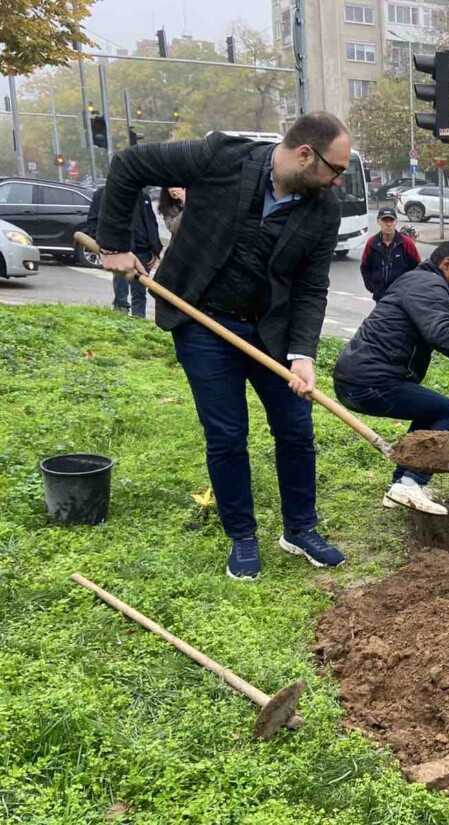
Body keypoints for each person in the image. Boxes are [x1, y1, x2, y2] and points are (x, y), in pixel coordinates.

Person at [95, 112, 352, 581]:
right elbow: (130, 164)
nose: (338, 182)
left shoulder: (323, 209)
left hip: (273, 334)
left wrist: (302, 354)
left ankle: (300, 529)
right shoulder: (221, 158)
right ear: (304, 154)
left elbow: (312, 287)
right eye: (336, 170)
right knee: (228, 436)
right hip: (203, 323)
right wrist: (114, 244)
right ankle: (242, 536)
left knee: (296, 431)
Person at [332, 240, 449, 516]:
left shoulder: (418, 280)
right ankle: (411, 483)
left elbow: (447, 314)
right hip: (370, 383)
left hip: (355, 379)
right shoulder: (431, 285)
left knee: (428, 413)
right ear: (446, 264)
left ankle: (401, 485)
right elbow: (441, 333)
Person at [87, 185, 162, 318]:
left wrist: (155, 248)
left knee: (140, 290)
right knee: (121, 288)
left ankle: (139, 319)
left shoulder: (142, 195)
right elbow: (93, 221)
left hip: (143, 250)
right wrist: (104, 245)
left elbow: (151, 223)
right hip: (119, 250)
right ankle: (121, 315)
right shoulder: (103, 193)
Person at [359, 205, 420, 300]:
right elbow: (365, 267)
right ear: (378, 221)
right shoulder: (372, 243)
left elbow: (417, 267)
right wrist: (372, 287)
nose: (388, 224)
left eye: (391, 220)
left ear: (395, 222)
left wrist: (409, 288)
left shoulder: (406, 243)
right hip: (380, 297)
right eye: (385, 220)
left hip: (401, 296)